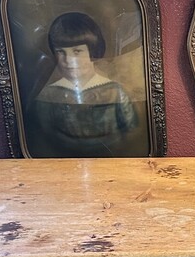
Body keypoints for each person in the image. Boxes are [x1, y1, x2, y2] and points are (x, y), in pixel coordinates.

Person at [27, 12, 139, 157]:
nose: (69, 60)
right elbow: (43, 141)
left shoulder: (115, 92)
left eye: (77, 51)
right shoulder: (48, 95)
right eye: (61, 52)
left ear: (93, 51)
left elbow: (132, 137)